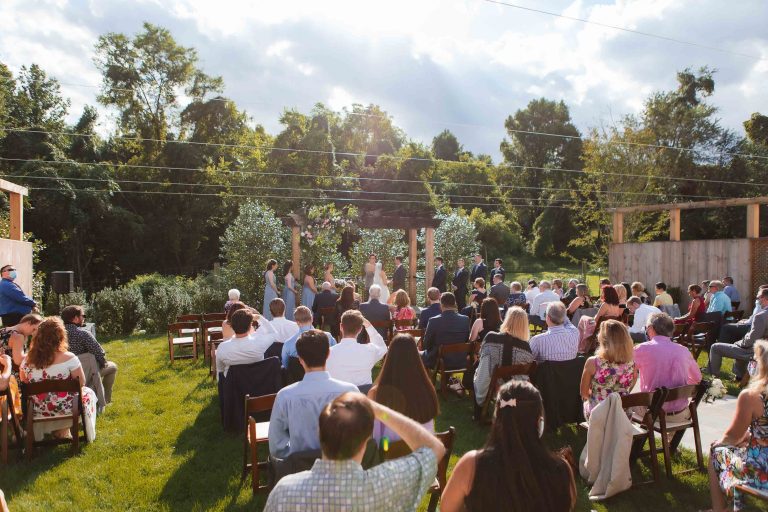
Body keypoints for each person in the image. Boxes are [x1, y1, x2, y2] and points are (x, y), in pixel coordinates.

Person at [265, 392, 445, 512]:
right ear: (367, 439)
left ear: (319, 433)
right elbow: (435, 448)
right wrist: (376, 409)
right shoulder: (387, 484)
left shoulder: (284, 492)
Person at [441, 380, 577, 512]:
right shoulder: (562, 470)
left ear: (496, 419)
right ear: (539, 422)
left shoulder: (471, 465)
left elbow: (447, 508)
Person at [269, 329, 359, 459]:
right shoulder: (351, 391)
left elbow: (277, 447)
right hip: (341, 465)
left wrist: (296, 456)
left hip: (299, 468)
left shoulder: (285, 396)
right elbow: (360, 435)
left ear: (300, 359)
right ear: (329, 354)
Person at [708, 339, 768, 512]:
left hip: (760, 472)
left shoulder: (753, 397)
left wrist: (724, 443)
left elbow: (731, 437)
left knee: (716, 450)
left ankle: (719, 509)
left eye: (754, 360)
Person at [19, 316, 97, 441]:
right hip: (67, 408)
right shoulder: (69, 358)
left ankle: (60, 431)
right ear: (60, 336)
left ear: (38, 336)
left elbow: (24, 382)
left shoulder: (26, 361)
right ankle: (65, 431)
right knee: (88, 393)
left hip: (39, 409)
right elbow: (81, 382)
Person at [368, 333, 438, 442]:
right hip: (423, 455)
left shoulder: (376, 394)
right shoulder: (427, 390)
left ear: (390, 358)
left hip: (387, 455)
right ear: (416, 357)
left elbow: (369, 431)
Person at [634, 312, 702, 421]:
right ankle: (669, 437)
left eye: (646, 328)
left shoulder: (642, 349)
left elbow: (627, 373)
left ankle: (634, 437)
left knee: (623, 405)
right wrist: (678, 388)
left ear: (651, 328)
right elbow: (697, 378)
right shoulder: (683, 350)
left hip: (652, 412)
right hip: (679, 414)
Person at [473, 306, 535, 409]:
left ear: (507, 320)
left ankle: (479, 412)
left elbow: (483, 367)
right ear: (525, 325)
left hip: (494, 389)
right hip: (517, 390)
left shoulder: (491, 337)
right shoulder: (526, 348)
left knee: (478, 370)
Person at [61, 305, 118, 407]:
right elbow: (100, 354)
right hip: (85, 376)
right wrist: (102, 363)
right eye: (83, 315)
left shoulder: (56, 336)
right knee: (112, 367)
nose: (84, 318)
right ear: (75, 318)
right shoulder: (83, 334)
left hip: (63, 377)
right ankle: (106, 400)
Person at [707, 287, 768, 381]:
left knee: (715, 347)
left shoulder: (761, 316)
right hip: (763, 349)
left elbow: (751, 340)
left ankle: (714, 379)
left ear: (764, 298)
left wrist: (740, 343)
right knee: (741, 346)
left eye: (758, 297)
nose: (757, 299)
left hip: (756, 352)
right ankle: (739, 376)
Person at [579, 320, 636, 420]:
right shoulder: (632, 363)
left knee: (587, 403)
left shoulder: (593, 362)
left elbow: (584, 393)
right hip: (623, 415)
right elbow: (632, 384)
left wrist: (599, 396)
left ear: (603, 340)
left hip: (599, 415)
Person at [327, 311, 387, 391]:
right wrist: (368, 326)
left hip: (338, 399)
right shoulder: (369, 351)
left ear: (341, 327)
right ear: (360, 329)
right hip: (363, 400)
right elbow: (382, 347)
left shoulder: (328, 353)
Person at [421, 292, 470, 370]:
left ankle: (426, 381)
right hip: (460, 361)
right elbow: (466, 340)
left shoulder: (433, 321)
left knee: (419, 354)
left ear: (441, 304)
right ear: (454, 303)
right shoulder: (465, 319)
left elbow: (426, 344)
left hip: (439, 362)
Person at [216, 309, 269, 377]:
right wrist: (260, 318)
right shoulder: (260, 343)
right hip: (256, 384)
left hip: (232, 385)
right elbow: (273, 333)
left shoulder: (222, 347)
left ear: (232, 326)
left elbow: (220, 371)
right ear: (250, 327)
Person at [577, 285, 623, 351]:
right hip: (610, 327)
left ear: (607, 294)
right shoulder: (616, 305)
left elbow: (596, 319)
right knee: (585, 319)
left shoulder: (605, 304)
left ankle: (582, 345)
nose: (601, 294)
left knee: (583, 318)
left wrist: (591, 319)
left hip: (600, 326)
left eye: (603, 292)